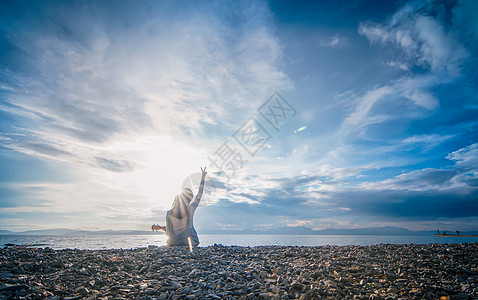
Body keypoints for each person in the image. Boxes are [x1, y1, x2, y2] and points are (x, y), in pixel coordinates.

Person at [165, 167, 207, 247]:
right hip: (189, 242)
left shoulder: (169, 213)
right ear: (189, 199)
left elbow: (168, 231)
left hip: (173, 242)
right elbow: (199, 194)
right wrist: (202, 178)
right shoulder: (191, 209)